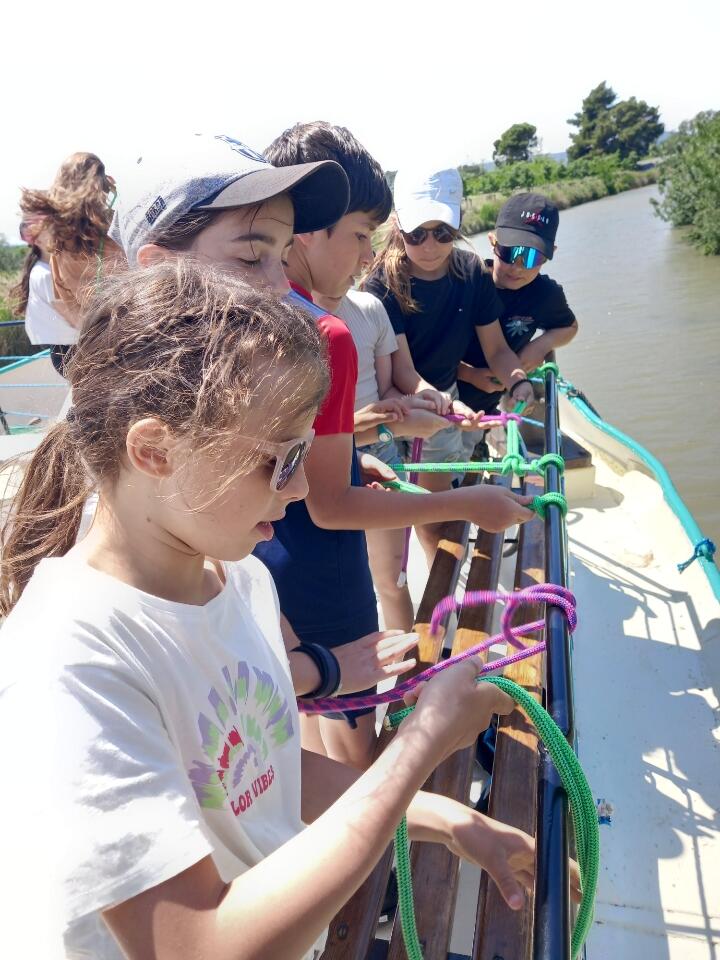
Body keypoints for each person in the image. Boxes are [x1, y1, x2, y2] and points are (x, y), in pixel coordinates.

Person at [0, 260, 548, 960]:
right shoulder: (68, 666)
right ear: (154, 451)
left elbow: (261, 768)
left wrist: (446, 818)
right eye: (280, 460)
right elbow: (196, 945)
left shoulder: (240, 578)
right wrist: (420, 746)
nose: (298, 493)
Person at [258, 123, 534, 768]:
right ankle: (381, 861)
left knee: (310, 721)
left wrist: (356, 455)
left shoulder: (261, 311)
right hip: (322, 562)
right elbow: (328, 506)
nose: (365, 257)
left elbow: (284, 450)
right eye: (359, 235)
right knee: (354, 745)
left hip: (273, 563)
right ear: (309, 228)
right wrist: (470, 504)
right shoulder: (323, 332)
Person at [362, 166, 535, 563]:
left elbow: (496, 349)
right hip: (394, 402)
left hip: (440, 398)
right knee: (406, 508)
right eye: (416, 233)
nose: (429, 245)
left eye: (443, 232)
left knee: (436, 511)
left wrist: (517, 379)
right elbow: (401, 369)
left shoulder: (471, 272)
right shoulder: (382, 283)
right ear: (399, 225)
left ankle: (437, 576)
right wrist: (436, 400)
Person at [457, 193, 578, 437]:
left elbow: (569, 327)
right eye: (510, 252)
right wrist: (470, 374)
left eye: (533, 256)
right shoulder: (465, 282)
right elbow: (426, 353)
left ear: (549, 254)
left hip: (486, 409)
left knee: (471, 468)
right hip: (444, 396)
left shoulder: (546, 295)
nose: (519, 266)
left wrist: (541, 345)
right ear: (493, 241)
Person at [24, 151, 123, 329]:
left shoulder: (57, 249)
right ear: (97, 185)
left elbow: (68, 306)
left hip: (98, 337)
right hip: (131, 329)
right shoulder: (112, 232)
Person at [10, 204, 78, 374]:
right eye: (52, 228)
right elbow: (74, 318)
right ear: (38, 240)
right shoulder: (47, 274)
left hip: (66, 352)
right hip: (72, 353)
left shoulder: (43, 269)